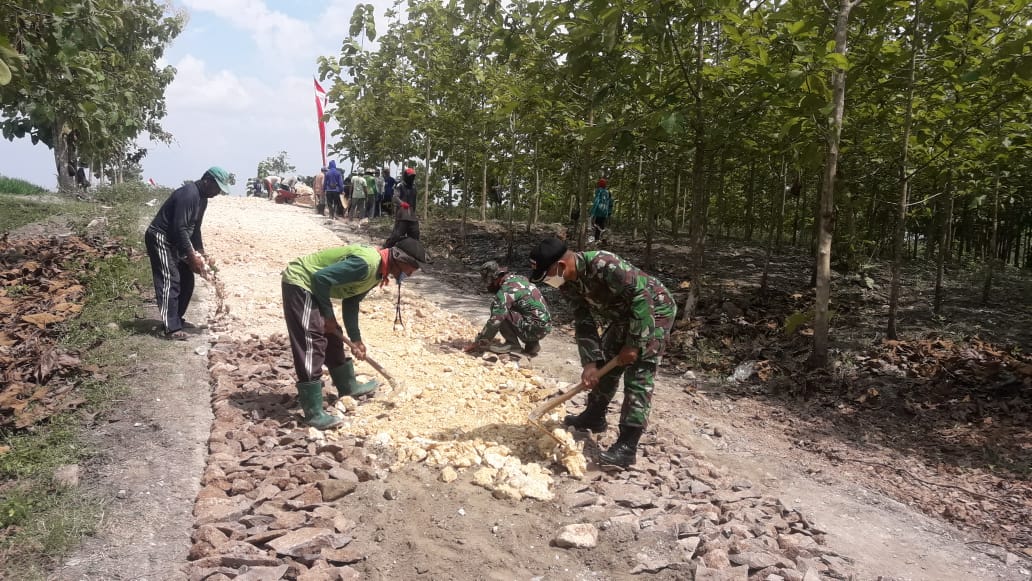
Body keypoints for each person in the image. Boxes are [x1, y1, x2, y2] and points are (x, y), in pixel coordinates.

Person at [528, 237, 677, 468]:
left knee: (638, 373)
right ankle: (594, 416)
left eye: (547, 275)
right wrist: (590, 362)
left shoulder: (604, 263)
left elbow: (641, 298)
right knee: (606, 362)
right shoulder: (568, 283)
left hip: (654, 311)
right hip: (622, 317)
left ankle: (627, 445)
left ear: (560, 266)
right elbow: (583, 319)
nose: (549, 282)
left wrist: (634, 344)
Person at [280, 238, 430, 429]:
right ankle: (313, 411)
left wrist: (356, 340)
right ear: (400, 259)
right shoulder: (366, 264)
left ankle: (348, 386)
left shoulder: (378, 274)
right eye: (412, 268)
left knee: (333, 334)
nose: (409, 274)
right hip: (301, 282)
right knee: (312, 340)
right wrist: (328, 315)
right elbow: (319, 279)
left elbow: (351, 302)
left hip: (315, 287)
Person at [145, 166, 230, 340]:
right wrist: (191, 256)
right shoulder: (189, 194)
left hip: (176, 241)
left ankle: (176, 319)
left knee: (187, 280)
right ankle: (171, 328)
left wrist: (201, 253)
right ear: (207, 181)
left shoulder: (203, 199)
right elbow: (179, 228)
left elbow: (195, 229)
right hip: (161, 238)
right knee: (171, 279)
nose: (217, 192)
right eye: (216, 188)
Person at [465, 261, 552, 356]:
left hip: (533, 329)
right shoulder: (520, 279)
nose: (489, 285)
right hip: (544, 328)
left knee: (500, 310)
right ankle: (532, 344)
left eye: (489, 282)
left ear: (495, 278)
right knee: (521, 309)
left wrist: (479, 342)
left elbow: (495, 320)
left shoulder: (506, 290)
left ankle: (512, 344)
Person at [384, 167, 419, 248]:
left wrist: (413, 211)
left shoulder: (414, 187)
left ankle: (413, 252)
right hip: (402, 214)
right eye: (410, 176)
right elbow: (395, 197)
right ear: (406, 176)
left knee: (415, 234)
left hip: (412, 214)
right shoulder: (400, 185)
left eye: (413, 177)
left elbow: (414, 201)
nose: (411, 178)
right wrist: (402, 203)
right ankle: (385, 248)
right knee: (397, 235)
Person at [590, 178, 613, 243]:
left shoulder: (598, 190)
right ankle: (603, 239)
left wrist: (593, 212)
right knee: (602, 225)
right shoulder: (608, 192)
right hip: (605, 211)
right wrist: (609, 212)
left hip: (599, 211)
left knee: (596, 225)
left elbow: (596, 201)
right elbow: (610, 202)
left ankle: (597, 239)